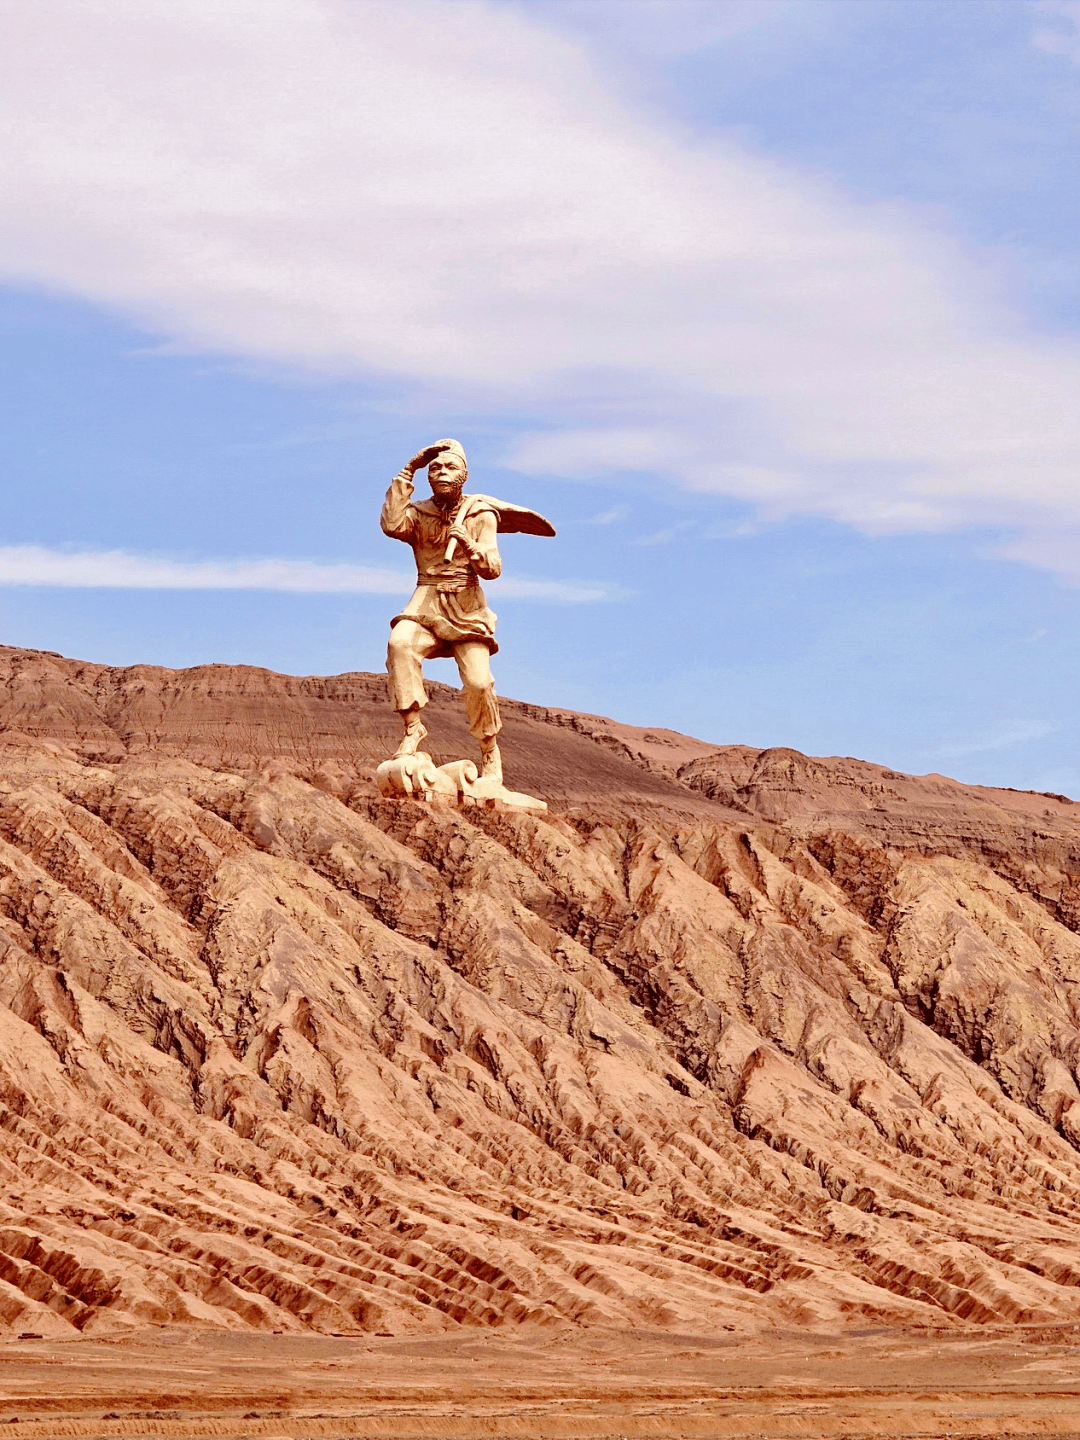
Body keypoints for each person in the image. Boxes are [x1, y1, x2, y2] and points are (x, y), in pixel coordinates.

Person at [380, 438, 553, 782]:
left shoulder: (479, 513)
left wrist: (470, 543)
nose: (442, 472)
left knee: (478, 682)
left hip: (467, 606)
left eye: (450, 467)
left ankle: (489, 749)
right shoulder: (418, 513)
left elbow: (492, 568)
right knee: (400, 644)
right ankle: (413, 727)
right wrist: (408, 468)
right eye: (435, 468)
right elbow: (391, 525)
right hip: (426, 599)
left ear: (464, 474)